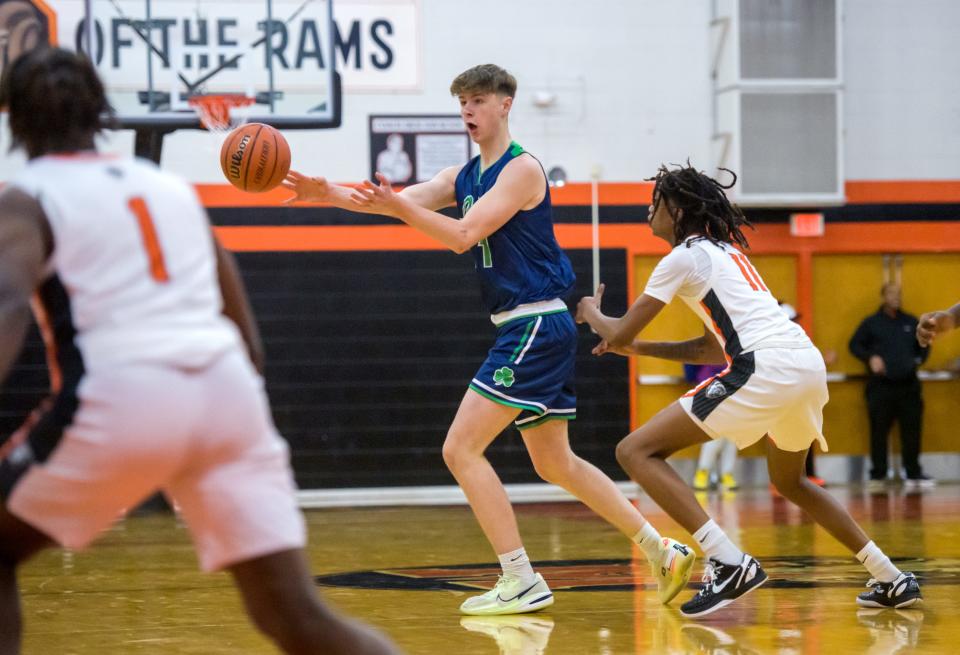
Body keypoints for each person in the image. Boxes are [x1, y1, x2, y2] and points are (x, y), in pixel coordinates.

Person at [0, 47, 399, 655]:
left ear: (15, 116)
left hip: (121, 397)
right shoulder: (168, 189)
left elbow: (6, 306)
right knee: (297, 616)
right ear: (99, 112)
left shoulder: (25, 197)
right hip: (228, 395)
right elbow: (243, 332)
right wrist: (222, 422)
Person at [283, 63, 695, 615]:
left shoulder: (522, 170)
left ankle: (520, 577)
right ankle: (661, 548)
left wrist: (397, 204)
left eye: (477, 101)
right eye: (461, 103)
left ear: (505, 104)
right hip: (528, 326)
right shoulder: (462, 176)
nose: (468, 112)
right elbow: (393, 200)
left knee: (460, 448)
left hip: (532, 323)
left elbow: (461, 235)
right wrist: (325, 191)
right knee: (556, 463)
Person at [577, 163, 922, 617]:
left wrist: (591, 312)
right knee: (791, 481)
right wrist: (637, 347)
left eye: (654, 203)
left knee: (635, 451)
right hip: (804, 362)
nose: (648, 211)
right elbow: (708, 344)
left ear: (676, 210)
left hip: (765, 367)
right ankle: (891, 577)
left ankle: (727, 561)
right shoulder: (727, 253)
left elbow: (616, 332)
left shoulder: (681, 257)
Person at [849, 284, 933, 489]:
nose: (896, 297)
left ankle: (912, 471)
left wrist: (916, 361)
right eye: (892, 294)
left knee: (912, 430)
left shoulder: (911, 321)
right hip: (881, 386)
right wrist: (870, 358)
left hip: (908, 386)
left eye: (899, 294)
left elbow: (925, 344)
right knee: (878, 431)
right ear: (883, 296)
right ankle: (878, 474)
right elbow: (854, 344)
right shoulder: (871, 323)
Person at [685, 364, 739, 491]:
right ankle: (704, 471)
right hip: (709, 382)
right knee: (715, 430)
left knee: (732, 432)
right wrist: (692, 377)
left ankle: (725, 473)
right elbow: (693, 355)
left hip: (734, 382)